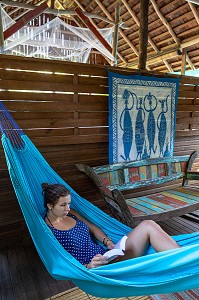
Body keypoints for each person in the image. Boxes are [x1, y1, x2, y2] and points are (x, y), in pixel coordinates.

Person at [42, 183, 180, 269]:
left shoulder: (71, 213)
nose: (68, 208)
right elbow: (60, 263)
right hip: (97, 269)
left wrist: (107, 242)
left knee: (148, 225)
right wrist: (88, 267)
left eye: (69, 203)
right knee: (148, 227)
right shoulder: (48, 230)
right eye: (63, 205)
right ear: (50, 206)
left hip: (108, 256)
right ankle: (186, 262)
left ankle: (185, 259)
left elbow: (94, 228)